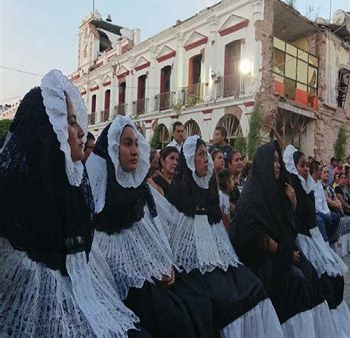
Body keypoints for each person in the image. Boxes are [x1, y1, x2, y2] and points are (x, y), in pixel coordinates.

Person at [0, 70, 138, 336]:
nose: (81, 132)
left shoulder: (70, 193)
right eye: (71, 122)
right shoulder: (17, 223)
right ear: (46, 132)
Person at [86, 116, 214, 337]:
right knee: (174, 318)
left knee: (199, 300)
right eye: (127, 144)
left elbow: (155, 239)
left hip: (156, 274)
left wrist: (166, 266)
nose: (134, 150)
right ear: (113, 149)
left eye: (136, 143)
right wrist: (149, 273)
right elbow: (107, 257)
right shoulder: (101, 200)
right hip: (131, 287)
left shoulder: (140, 192)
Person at [152, 135, 283, 336]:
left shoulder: (210, 194)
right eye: (200, 155)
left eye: (207, 154)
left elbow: (220, 239)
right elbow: (173, 243)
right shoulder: (177, 197)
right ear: (188, 160)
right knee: (228, 301)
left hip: (220, 262)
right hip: (194, 269)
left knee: (255, 287)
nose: (206, 159)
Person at [231, 141, 335, 337]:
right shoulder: (250, 199)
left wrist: (293, 205)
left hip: (282, 254)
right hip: (260, 262)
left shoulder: (277, 194)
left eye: (279, 161)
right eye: (273, 161)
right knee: (296, 282)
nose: (278, 165)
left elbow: (287, 232)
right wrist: (283, 252)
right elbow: (250, 239)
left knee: (313, 274)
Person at [282, 145, 350, 337]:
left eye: (307, 165)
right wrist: (293, 203)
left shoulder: (308, 184)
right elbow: (290, 220)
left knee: (336, 276)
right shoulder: (290, 188)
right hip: (301, 240)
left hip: (313, 237)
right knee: (324, 280)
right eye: (302, 166)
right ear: (293, 167)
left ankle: (336, 323)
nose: (306, 169)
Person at [319, 166, 342, 243]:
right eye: (324, 172)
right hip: (324, 208)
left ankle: (332, 238)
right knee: (334, 216)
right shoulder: (320, 185)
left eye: (328, 172)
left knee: (338, 215)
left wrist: (339, 204)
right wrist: (337, 205)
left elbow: (335, 198)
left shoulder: (330, 186)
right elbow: (327, 200)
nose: (326, 174)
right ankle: (329, 238)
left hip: (332, 207)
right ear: (320, 174)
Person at [226, 149, 244, 214]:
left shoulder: (245, 182)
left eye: (241, 159)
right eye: (236, 160)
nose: (240, 162)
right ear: (229, 165)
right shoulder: (227, 183)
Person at [217, 168, 234, 233]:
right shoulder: (220, 196)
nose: (233, 182)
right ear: (227, 182)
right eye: (232, 179)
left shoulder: (226, 196)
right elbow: (224, 217)